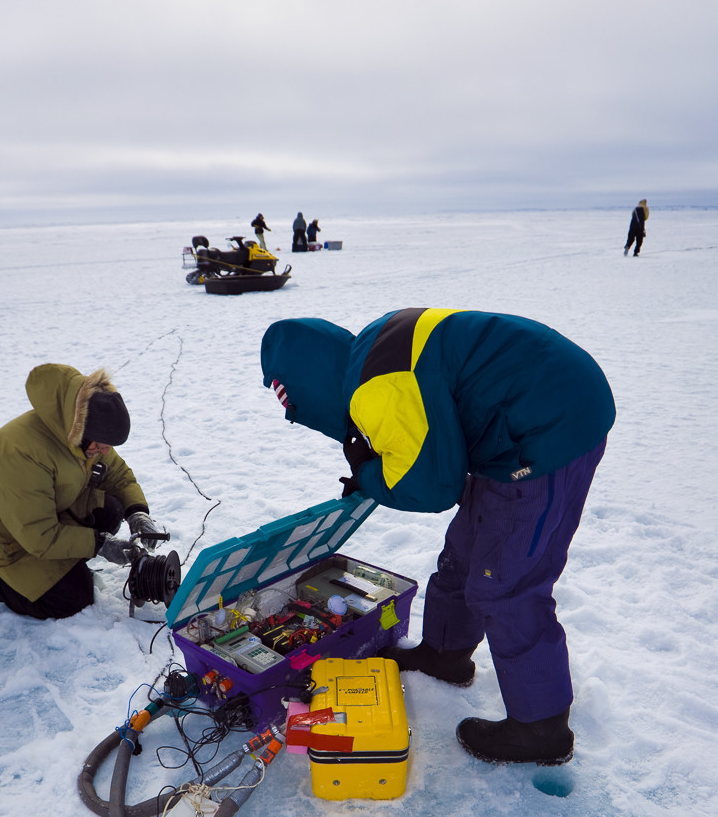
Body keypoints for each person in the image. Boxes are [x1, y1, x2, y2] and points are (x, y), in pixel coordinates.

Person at [262, 309, 615, 765]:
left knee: (506, 583)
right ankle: (446, 654)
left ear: (309, 389)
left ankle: (541, 728)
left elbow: (432, 486)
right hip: (524, 412)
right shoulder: (368, 352)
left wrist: (369, 474)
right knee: (465, 553)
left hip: (549, 421)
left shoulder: (375, 388)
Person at [0, 363, 154, 620]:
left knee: (112, 509)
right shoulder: (21, 454)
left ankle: (66, 564)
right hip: (10, 540)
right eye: (101, 444)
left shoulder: (84, 433)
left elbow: (119, 477)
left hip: (49, 513)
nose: (106, 451)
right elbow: (38, 536)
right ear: (80, 431)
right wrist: (99, 544)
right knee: (73, 598)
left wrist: (138, 513)